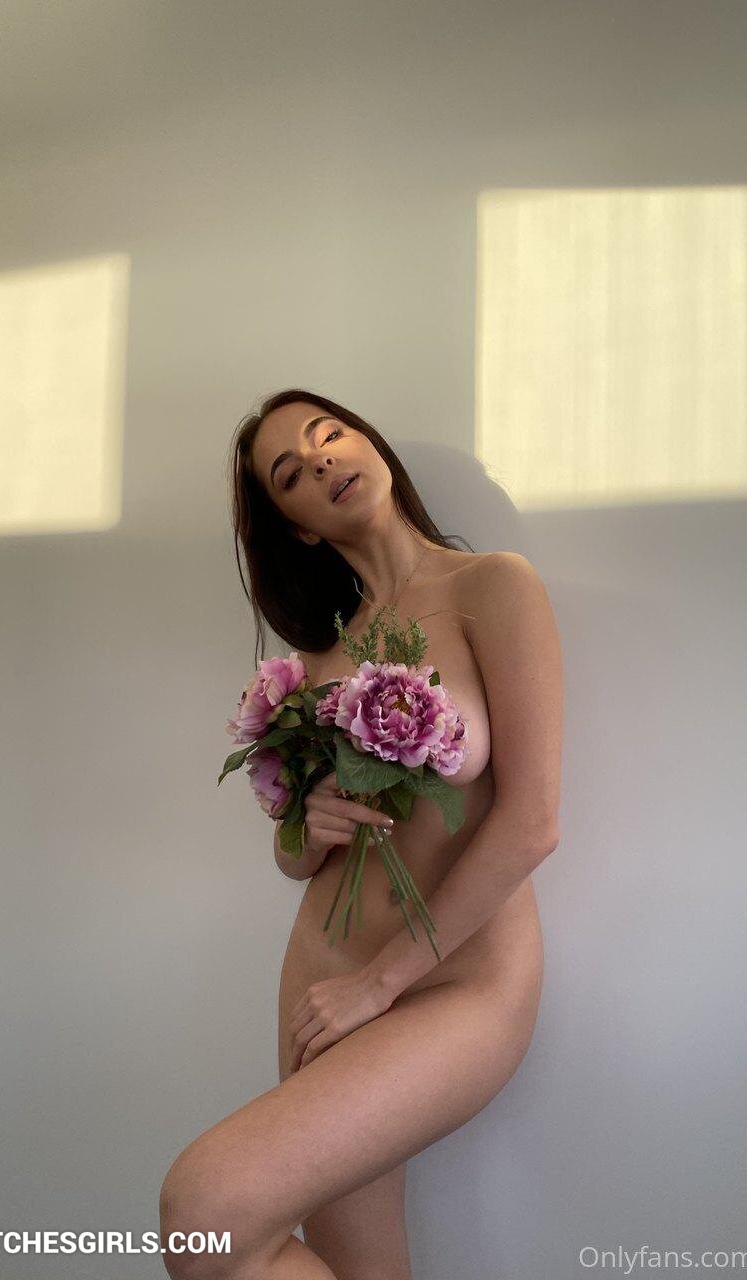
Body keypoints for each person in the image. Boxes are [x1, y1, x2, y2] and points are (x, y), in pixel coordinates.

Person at [158, 388, 564, 1280]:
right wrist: (309, 823)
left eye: (329, 435)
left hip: (453, 982)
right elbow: (294, 857)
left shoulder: (492, 587)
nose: (322, 461)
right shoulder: (317, 662)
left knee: (205, 1211)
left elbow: (532, 821)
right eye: (290, 474)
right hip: (325, 981)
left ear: (370, 445)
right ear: (298, 527)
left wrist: (381, 984)